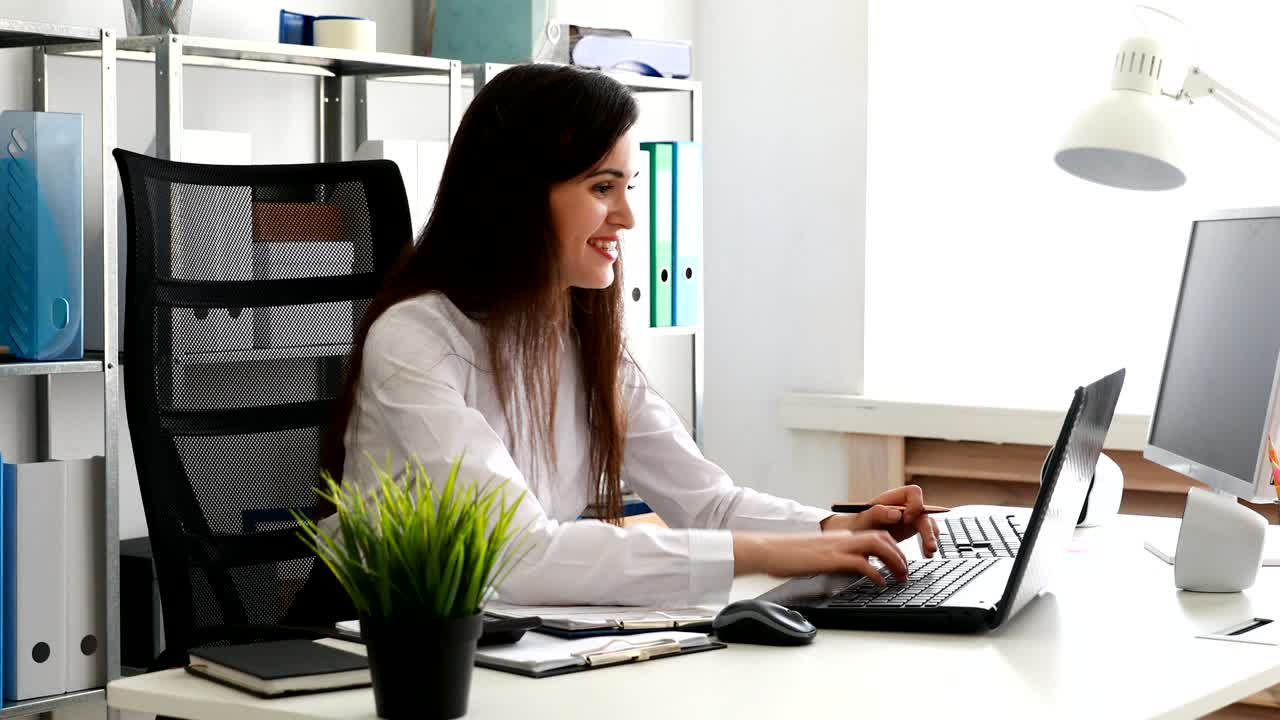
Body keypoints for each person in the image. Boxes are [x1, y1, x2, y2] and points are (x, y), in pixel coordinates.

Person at [307, 64, 938, 615]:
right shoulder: (416, 339)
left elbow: (708, 504)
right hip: (376, 652)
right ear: (518, 198)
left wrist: (835, 527)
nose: (629, 217)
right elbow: (520, 555)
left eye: (628, 186)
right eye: (601, 187)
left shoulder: (579, 333)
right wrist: (783, 553)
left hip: (498, 637)